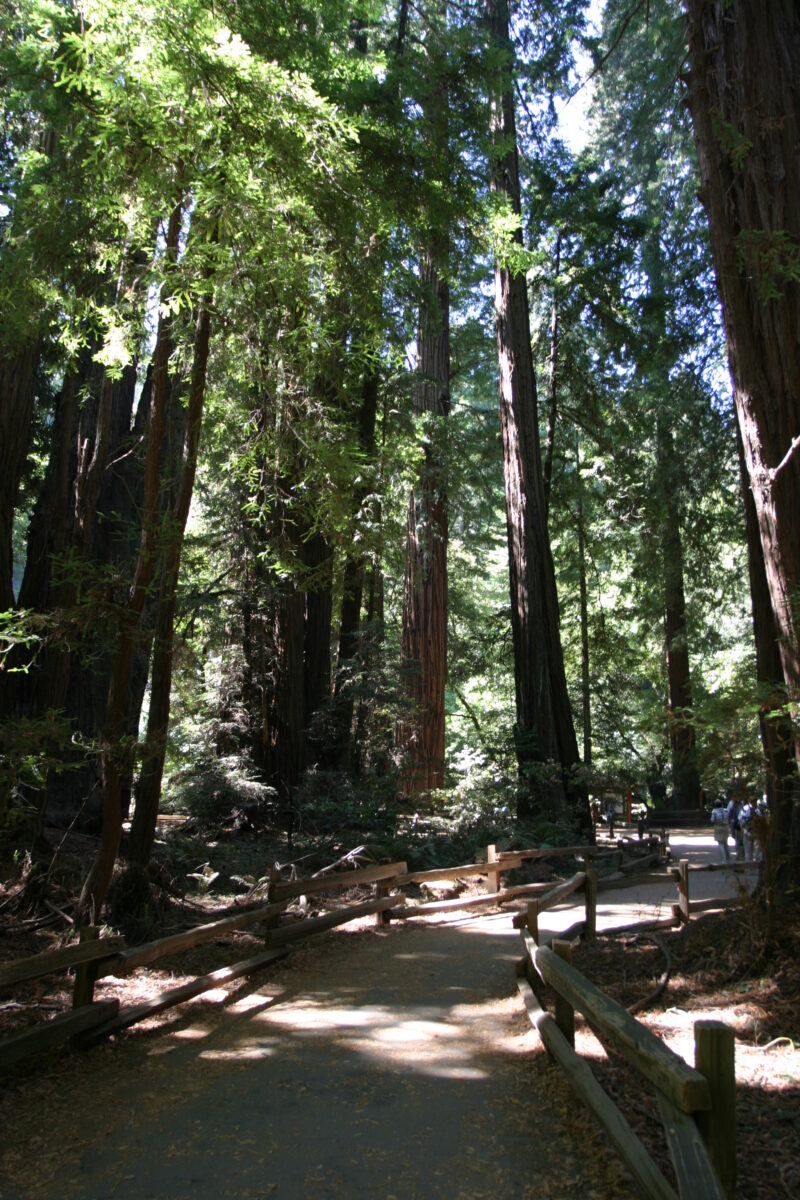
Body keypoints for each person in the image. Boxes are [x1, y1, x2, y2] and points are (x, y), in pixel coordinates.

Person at [710, 797, 729, 862]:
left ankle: (724, 860)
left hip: (718, 827)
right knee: (725, 843)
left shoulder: (714, 812)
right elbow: (729, 817)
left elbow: (712, 820)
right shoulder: (726, 810)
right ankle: (728, 858)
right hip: (726, 827)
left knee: (721, 844)